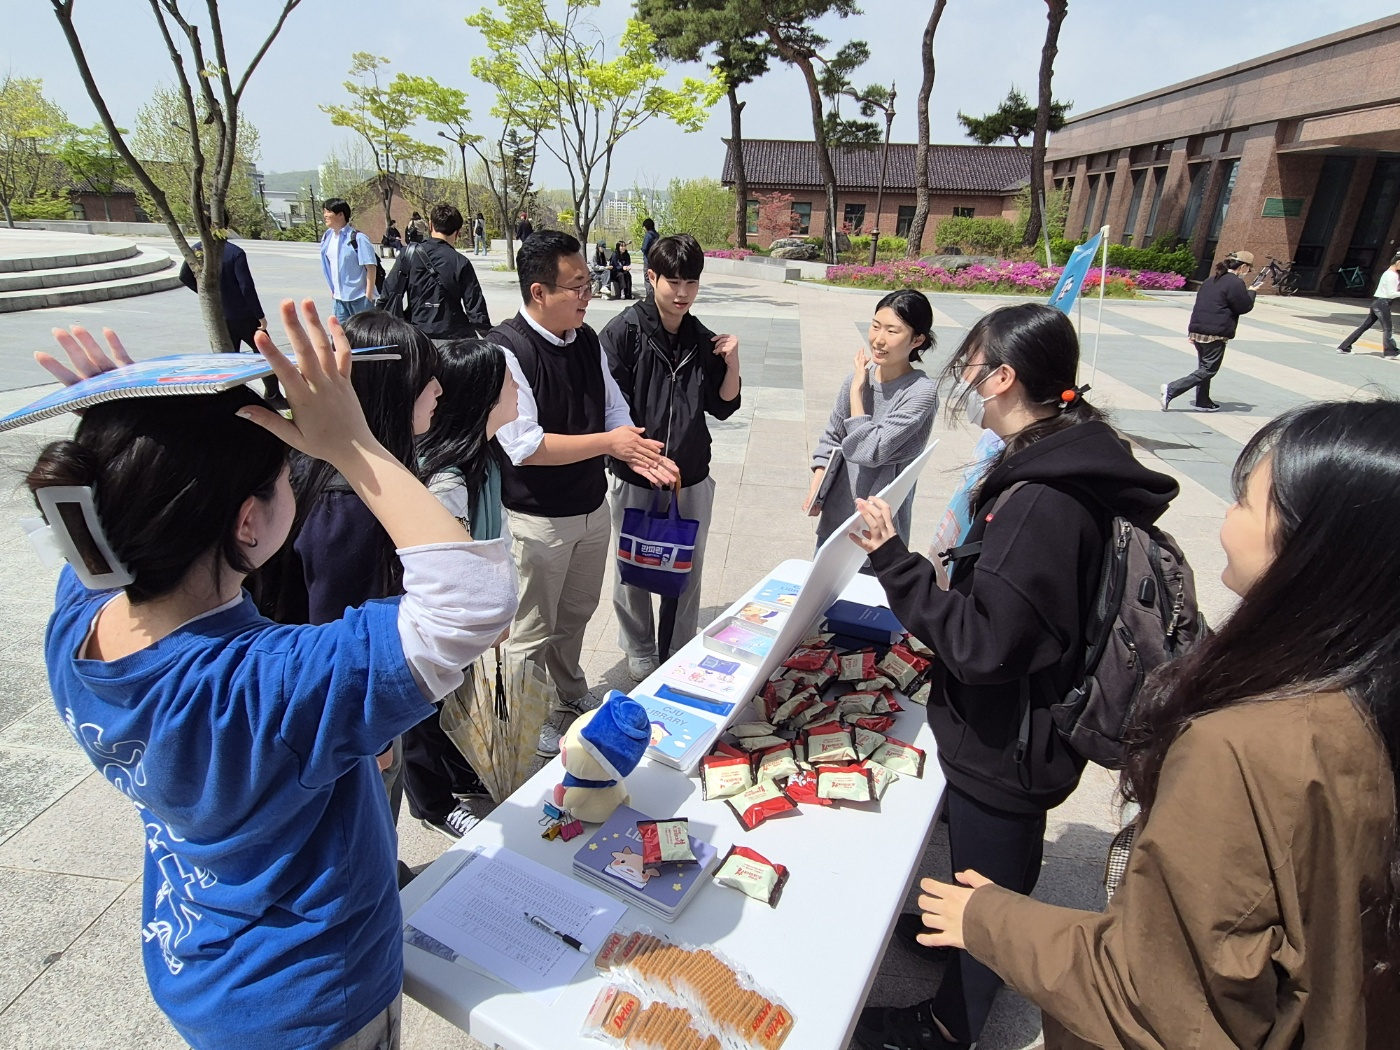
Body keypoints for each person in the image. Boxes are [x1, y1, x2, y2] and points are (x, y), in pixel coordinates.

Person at [29, 302, 516, 1050]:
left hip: (202, 970)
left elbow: (92, 550)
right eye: (283, 473)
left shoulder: (81, 628)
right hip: (313, 999)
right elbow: (472, 600)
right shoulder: (265, 688)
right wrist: (352, 443)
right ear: (248, 526)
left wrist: (127, 435)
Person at [906, 398, 1400, 1050]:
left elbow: (1161, 1000)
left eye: (1246, 502)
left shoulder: (1246, 747)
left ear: (1315, 547)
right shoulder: (1362, 700)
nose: (1225, 518)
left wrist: (991, 920)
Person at [849, 303, 1180, 1050]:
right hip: (1026, 723)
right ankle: (951, 931)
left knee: (992, 883)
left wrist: (894, 560)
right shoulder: (1064, 455)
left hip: (1012, 741)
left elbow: (984, 647)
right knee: (982, 865)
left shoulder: (1039, 500)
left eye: (971, 367)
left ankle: (947, 1024)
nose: (964, 382)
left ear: (1004, 378)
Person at [487, 230, 678, 756]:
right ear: (538, 292)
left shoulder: (587, 340)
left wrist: (630, 443)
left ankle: (569, 694)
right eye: (575, 286)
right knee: (530, 631)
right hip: (537, 518)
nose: (586, 295)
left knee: (574, 615)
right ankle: (519, 735)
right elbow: (524, 445)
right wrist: (610, 444)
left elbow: (613, 403)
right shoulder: (506, 351)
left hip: (591, 508)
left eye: (588, 283)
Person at [279, 312, 449, 829]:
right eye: (424, 379)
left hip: (350, 709)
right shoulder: (348, 503)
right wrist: (365, 732)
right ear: (388, 391)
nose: (439, 389)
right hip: (348, 719)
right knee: (367, 820)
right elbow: (336, 634)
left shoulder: (338, 476)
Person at [599, 234, 742, 678]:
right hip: (637, 474)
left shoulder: (701, 337)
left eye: (691, 283)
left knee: (687, 567)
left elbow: (723, 405)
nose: (681, 293)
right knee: (633, 566)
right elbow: (608, 407)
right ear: (651, 277)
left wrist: (733, 362)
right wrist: (641, 456)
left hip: (689, 475)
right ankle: (640, 647)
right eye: (673, 282)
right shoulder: (623, 332)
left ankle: (678, 646)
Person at [803, 289, 939, 549]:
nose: (878, 339)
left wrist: (857, 393)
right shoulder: (858, 377)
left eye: (892, 331)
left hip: (879, 530)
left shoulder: (921, 392)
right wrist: (817, 488)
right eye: (876, 326)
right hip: (836, 517)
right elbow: (833, 437)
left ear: (917, 339)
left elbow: (869, 450)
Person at [177, 237, 279, 404]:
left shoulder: (197, 250)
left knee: (229, 360)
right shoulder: (235, 252)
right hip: (244, 314)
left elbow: (184, 276)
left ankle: (234, 399)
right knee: (266, 355)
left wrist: (206, 295)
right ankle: (273, 395)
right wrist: (259, 314)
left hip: (219, 314)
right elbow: (245, 286)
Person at [375, 202, 492, 342]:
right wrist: (487, 338)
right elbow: (476, 308)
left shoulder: (408, 255)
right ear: (458, 232)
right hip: (452, 340)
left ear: (430, 225)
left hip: (416, 337)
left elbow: (388, 293)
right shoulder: (460, 262)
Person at [1161, 250, 1256, 412]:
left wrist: (1191, 331)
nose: (1248, 273)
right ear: (1243, 267)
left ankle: (1203, 401)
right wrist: (1252, 291)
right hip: (1215, 333)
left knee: (1203, 368)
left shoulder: (1211, 280)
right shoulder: (1235, 283)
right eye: (1249, 269)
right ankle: (1172, 389)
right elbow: (1244, 307)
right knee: (1209, 370)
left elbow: (1200, 305)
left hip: (1198, 330)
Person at [319, 198, 379, 323]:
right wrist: (333, 289)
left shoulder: (358, 238)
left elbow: (371, 268)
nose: (325, 215)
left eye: (328, 211)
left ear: (341, 214)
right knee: (340, 336)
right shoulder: (327, 237)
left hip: (359, 298)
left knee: (362, 337)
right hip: (339, 299)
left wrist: (368, 296)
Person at [1337, 252, 1400, 356]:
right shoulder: (1392, 276)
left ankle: (1344, 347)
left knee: (1364, 326)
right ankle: (1390, 352)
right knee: (1387, 328)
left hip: (1377, 302)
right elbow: (1391, 293)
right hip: (1383, 303)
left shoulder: (1387, 273)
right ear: (1398, 262)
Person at [640, 217, 659, 297]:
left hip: (648, 260)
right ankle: (655, 295)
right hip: (655, 260)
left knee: (648, 278)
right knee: (655, 278)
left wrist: (642, 248)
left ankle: (649, 296)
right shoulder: (657, 235)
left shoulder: (648, 235)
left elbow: (644, 248)